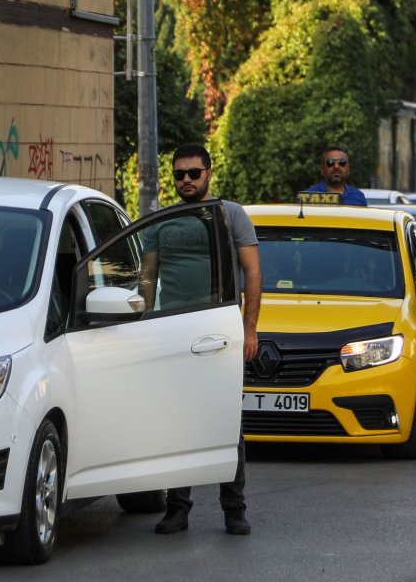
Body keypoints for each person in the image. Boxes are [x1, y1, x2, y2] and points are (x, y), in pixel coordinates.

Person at [144, 143, 261, 537]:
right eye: (180, 174)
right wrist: (139, 327)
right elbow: (147, 280)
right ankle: (177, 509)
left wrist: (249, 330)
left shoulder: (229, 215)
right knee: (178, 423)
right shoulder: (161, 221)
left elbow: (253, 274)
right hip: (172, 332)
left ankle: (235, 509)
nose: (187, 181)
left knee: (227, 421)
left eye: (194, 173)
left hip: (220, 333)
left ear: (209, 173)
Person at [302, 147, 368, 206]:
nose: (336, 167)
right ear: (322, 169)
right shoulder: (307, 197)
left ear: (348, 169)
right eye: (330, 163)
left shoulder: (359, 197)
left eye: (342, 162)